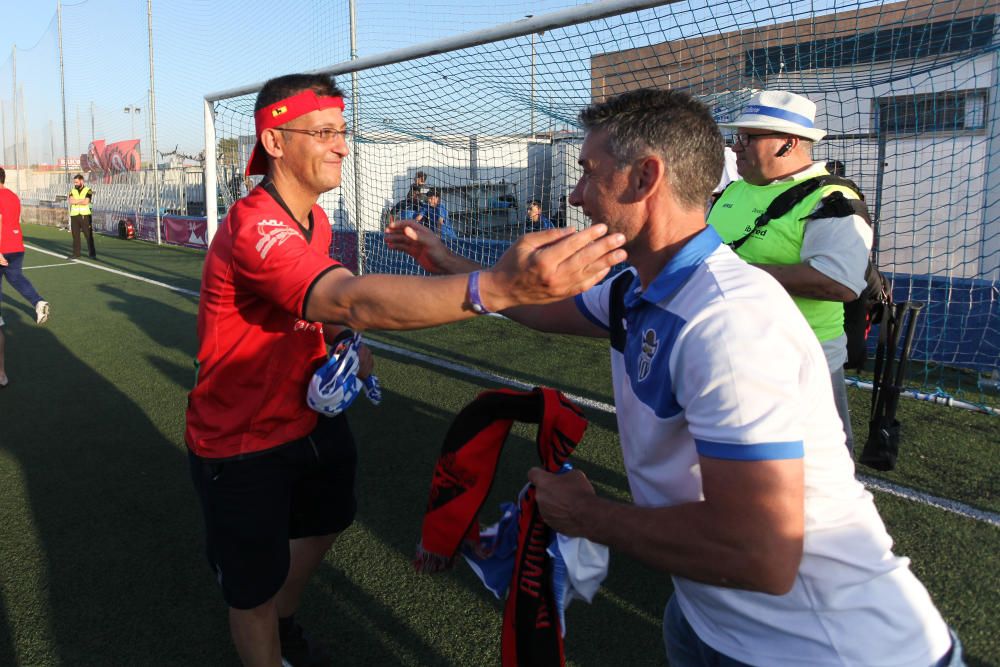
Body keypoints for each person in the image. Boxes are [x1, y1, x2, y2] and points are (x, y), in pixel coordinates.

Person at [386, 88, 958, 667]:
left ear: (644, 179)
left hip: (822, 648)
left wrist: (588, 516)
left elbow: (760, 555)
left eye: (588, 173)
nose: (575, 195)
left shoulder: (729, 324)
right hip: (710, 620)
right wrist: (450, 265)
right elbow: (537, 307)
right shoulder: (637, 285)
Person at [185, 72, 625, 667]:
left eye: (343, 131)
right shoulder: (255, 225)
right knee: (252, 588)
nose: (342, 145)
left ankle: (280, 623)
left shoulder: (312, 219)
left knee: (329, 519)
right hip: (239, 440)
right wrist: (495, 287)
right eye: (323, 132)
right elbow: (349, 297)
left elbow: (328, 310)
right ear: (275, 143)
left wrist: (344, 340)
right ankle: (265, 629)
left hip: (305, 418)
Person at [708, 91, 871, 453]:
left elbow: (839, 283)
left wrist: (734, 273)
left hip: (801, 362)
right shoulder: (733, 191)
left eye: (748, 138)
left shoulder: (833, 200)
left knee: (816, 477)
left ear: (788, 143)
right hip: (728, 350)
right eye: (737, 137)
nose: (737, 147)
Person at [0, 167, 51, 330]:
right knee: (15, 277)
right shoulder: (13, 196)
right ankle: (38, 302)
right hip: (16, 245)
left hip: (3, 245)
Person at [68, 173, 97, 259]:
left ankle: (92, 254)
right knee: (75, 236)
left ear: (81, 181)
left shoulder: (89, 190)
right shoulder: (72, 190)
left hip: (85, 216)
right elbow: (71, 201)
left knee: (88, 235)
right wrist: (81, 200)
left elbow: (86, 202)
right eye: (74, 182)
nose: (75, 184)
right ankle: (76, 253)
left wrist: (76, 201)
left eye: (76, 182)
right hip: (74, 216)